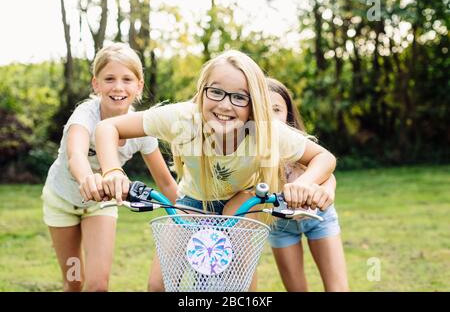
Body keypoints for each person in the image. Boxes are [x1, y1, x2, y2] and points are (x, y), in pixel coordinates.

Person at [94, 50, 337, 291]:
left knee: (235, 281)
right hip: (193, 201)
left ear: (254, 104)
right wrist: (113, 171)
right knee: (158, 285)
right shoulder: (183, 119)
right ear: (202, 92)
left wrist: (305, 183)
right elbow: (108, 128)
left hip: (243, 198)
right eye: (216, 92)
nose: (225, 105)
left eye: (239, 97)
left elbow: (324, 157)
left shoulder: (265, 130)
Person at [42, 43, 178, 292]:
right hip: (62, 201)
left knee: (97, 286)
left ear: (139, 86)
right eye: (109, 79)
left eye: (127, 79)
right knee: (74, 281)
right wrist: (87, 179)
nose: (118, 87)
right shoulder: (85, 115)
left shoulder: (142, 128)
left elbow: (166, 182)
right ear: (96, 84)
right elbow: (76, 155)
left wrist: (188, 212)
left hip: (100, 206)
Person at [266, 77, 349, 291]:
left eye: (277, 109)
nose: (272, 117)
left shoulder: (298, 143)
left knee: (337, 288)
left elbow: (327, 172)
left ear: (288, 114)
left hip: (319, 217)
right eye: (264, 109)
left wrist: (328, 191)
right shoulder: (247, 150)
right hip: (280, 224)